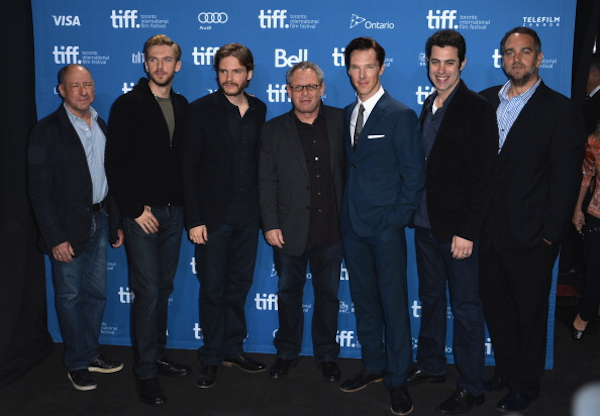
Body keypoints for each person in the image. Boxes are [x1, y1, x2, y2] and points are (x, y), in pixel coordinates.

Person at [478, 27, 585, 413]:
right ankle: (507, 371)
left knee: (529, 314)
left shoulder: (561, 109)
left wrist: (549, 237)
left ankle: (527, 383)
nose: (516, 59)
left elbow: (566, 177)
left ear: (539, 58)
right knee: (498, 309)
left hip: (532, 238)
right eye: (509, 52)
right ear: (501, 58)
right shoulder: (485, 101)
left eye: (525, 52)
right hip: (487, 234)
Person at [408, 30, 498, 414]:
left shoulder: (476, 108)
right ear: (427, 63)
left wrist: (468, 231)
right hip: (426, 226)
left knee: (464, 307)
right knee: (430, 300)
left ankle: (472, 385)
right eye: (434, 61)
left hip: (456, 233)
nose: (440, 70)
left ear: (462, 64)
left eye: (449, 62)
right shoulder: (429, 104)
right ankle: (431, 365)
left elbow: (484, 177)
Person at [338, 37, 426, 416]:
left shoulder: (400, 114)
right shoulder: (346, 113)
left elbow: (414, 175)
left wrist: (395, 220)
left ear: (381, 68)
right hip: (353, 227)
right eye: (355, 67)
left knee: (393, 305)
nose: (362, 74)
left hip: (386, 229)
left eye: (368, 66)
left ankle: (398, 378)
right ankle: (374, 366)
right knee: (365, 303)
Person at [105, 34, 191, 406]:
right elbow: (115, 163)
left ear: (178, 65)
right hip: (142, 215)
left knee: (164, 289)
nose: (160, 66)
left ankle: (156, 354)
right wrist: (135, 209)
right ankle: (145, 372)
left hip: (175, 214)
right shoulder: (128, 104)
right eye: (153, 60)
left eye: (167, 60)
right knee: (149, 291)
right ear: (145, 64)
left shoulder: (184, 105)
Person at [28, 64, 124, 391]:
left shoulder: (101, 124)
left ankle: (92, 354)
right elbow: (39, 191)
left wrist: (115, 225)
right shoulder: (47, 130)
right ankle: (77, 362)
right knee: (70, 297)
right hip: (66, 230)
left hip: (101, 220)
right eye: (75, 86)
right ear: (61, 90)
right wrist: (55, 237)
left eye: (88, 84)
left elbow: (110, 178)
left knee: (96, 295)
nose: (83, 91)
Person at [182, 43, 267, 389]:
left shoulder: (260, 109)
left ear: (249, 73)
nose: (229, 78)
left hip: (249, 218)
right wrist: (195, 219)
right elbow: (188, 169)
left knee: (238, 288)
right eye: (223, 71)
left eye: (236, 71)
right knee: (213, 290)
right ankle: (212, 357)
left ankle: (234, 348)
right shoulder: (200, 110)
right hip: (212, 221)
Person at [259, 61, 345, 382]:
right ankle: (286, 352)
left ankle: (326, 354)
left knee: (328, 296)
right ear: (288, 91)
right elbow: (266, 182)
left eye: (311, 87)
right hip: (288, 230)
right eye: (298, 87)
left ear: (322, 89)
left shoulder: (342, 121)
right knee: (288, 294)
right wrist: (270, 223)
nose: (305, 93)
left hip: (333, 229)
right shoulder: (272, 130)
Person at [572, 120, 600, 340]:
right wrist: (578, 209)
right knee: (594, 276)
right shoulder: (594, 140)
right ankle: (583, 318)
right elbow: (586, 173)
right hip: (597, 217)